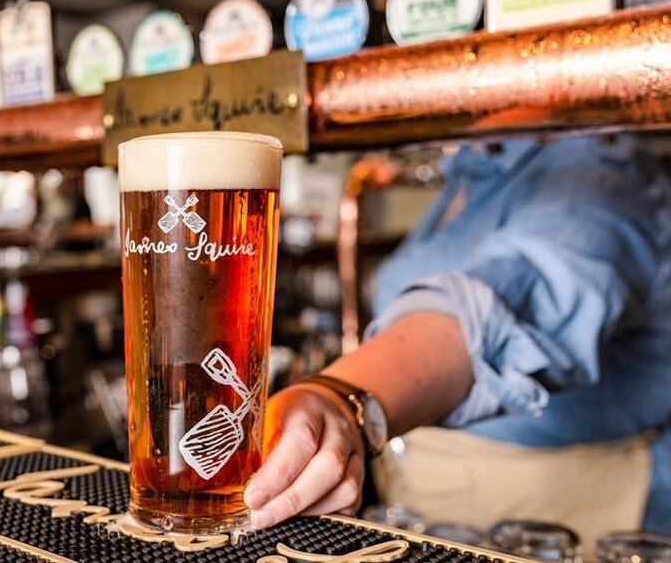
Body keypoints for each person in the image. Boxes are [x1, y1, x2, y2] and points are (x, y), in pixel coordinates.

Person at [244, 135, 671, 543]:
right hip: (432, 512)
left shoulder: (594, 170)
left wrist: (340, 398)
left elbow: (493, 313)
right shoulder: (479, 166)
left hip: (564, 524)